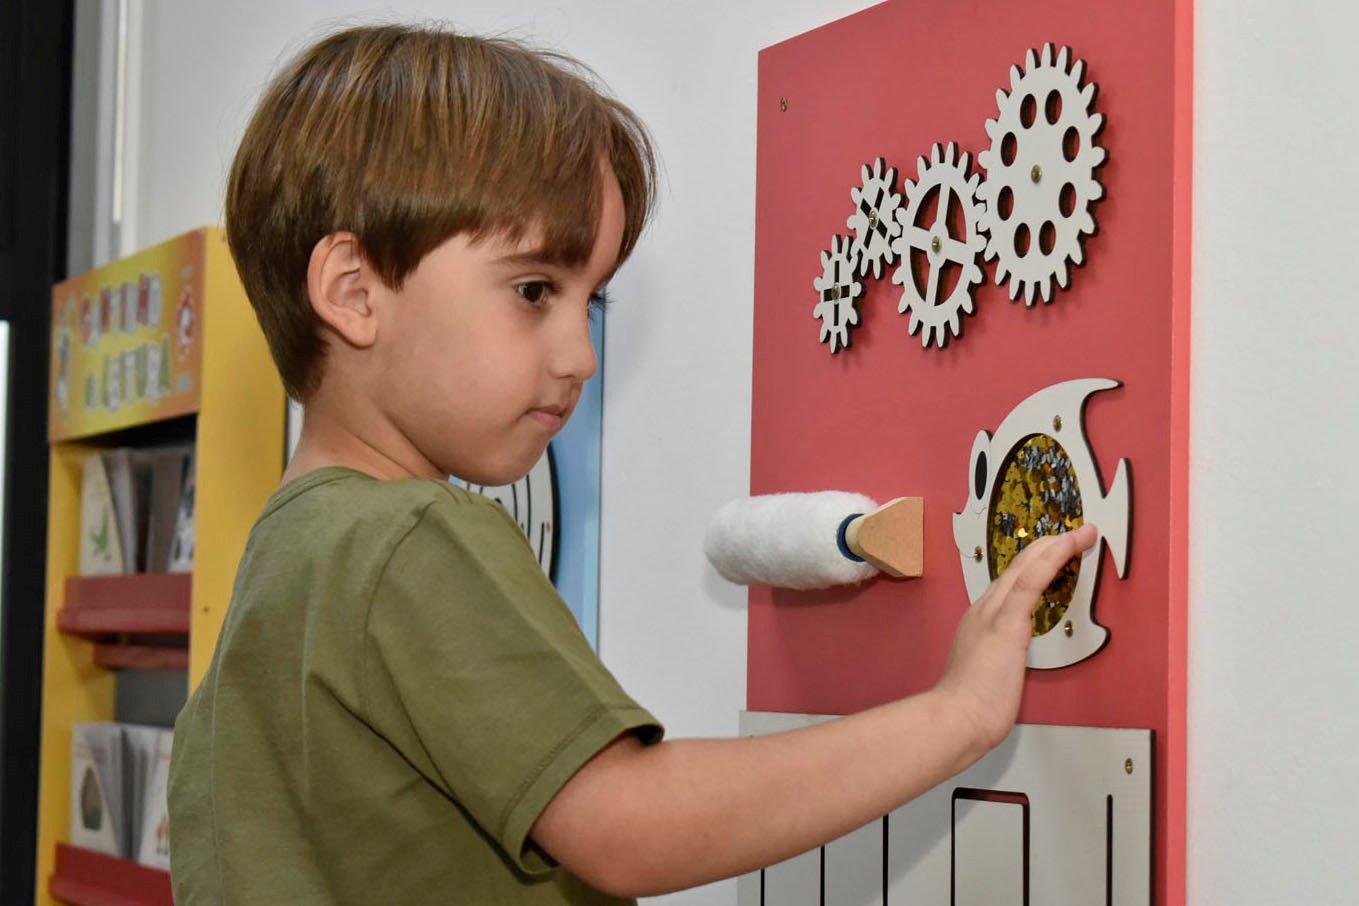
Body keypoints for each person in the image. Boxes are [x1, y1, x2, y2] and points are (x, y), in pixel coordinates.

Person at [167, 22, 1098, 905]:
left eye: (593, 303)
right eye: (534, 290)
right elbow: (628, 823)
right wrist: (956, 715)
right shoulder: (410, 538)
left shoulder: (288, 562)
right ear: (353, 293)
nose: (580, 356)